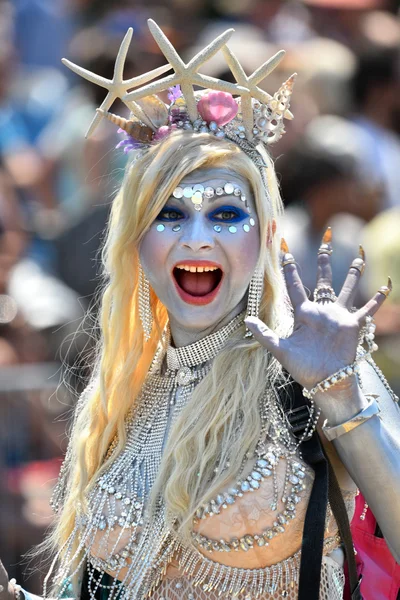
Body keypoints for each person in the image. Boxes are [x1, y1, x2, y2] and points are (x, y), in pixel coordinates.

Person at [1, 20, 400, 600]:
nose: (196, 239)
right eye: (169, 214)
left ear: (263, 234)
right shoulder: (122, 390)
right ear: (136, 240)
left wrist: (340, 393)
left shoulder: (310, 366)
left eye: (225, 214)